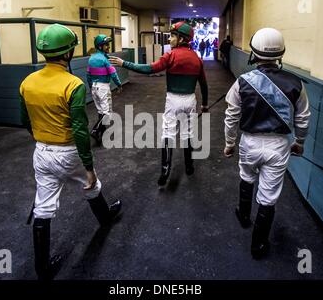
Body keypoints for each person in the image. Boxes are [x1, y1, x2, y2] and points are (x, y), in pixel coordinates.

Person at [19, 24, 122, 280]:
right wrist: (88, 166)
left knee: (43, 207)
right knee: (92, 185)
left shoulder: (27, 82)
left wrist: (41, 139)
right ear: (67, 53)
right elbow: (79, 129)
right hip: (67, 152)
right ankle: (106, 217)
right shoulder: (72, 85)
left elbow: (25, 120)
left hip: (41, 152)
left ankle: (42, 269)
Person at [223, 28, 310, 260]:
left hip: (249, 142)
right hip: (279, 145)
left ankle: (243, 215)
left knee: (247, 176)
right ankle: (258, 246)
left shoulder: (242, 82)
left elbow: (231, 116)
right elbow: (303, 118)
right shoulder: (296, 84)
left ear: (254, 52)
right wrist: (299, 141)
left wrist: (229, 143)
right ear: (281, 53)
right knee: (268, 196)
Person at [109, 21, 209, 186]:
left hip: (173, 100)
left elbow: (149, 69)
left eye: (173, 36)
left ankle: (165, 170)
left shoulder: (171, 55)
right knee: (187, 133)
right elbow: (204, 85)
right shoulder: (197, 59)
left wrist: (124, 63)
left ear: (182, 39)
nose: (170, 40)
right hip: (190, 99)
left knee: (168, 133)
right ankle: (189, 167)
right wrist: (205, 104)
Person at [87, 34, 122, 145]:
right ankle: (95, 130)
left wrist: (91, 86)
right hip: (103, 87)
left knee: (101, 111)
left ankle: (101, 135)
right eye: (106, 45)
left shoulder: (91, 58)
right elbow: (113, 73)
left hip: (94, 87)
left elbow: (88, 75)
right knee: (107, 113)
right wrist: (119, 84)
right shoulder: (105, 59)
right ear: (100, 46)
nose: (108, 47)